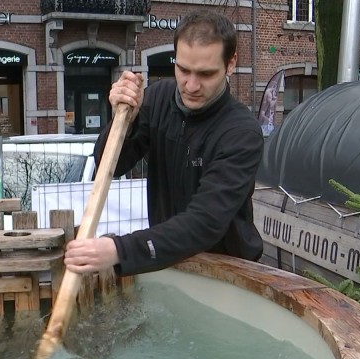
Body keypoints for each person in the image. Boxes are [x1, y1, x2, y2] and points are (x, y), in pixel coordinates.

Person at [64, 10, 264, 276]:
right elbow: (110, 164)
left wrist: (119, 251)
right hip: (171, 263)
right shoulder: (158, 98)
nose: (191, 85)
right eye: (183, 69)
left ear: (230, 63)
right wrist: (124, 122)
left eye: (205, 74)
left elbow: (205, 222)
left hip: (230, 275)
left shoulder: (240, 132)